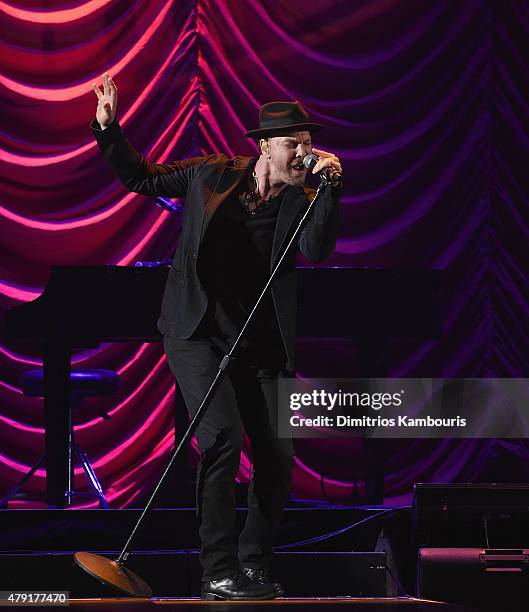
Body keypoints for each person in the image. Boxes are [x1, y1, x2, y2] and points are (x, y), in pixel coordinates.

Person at [91, 72, 341, 600]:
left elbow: (318, 251)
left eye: (309, 142)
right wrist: (108, 129)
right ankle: (218, 570)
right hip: (197, 333)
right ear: (266, 147)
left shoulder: (307, 196)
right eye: (294, 143)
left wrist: (331, 191)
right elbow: (142, 178)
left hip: (259, 341)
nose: (305, 151)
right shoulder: (211, 174)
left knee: (276, 459)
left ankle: (252, 567)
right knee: (223, 440)